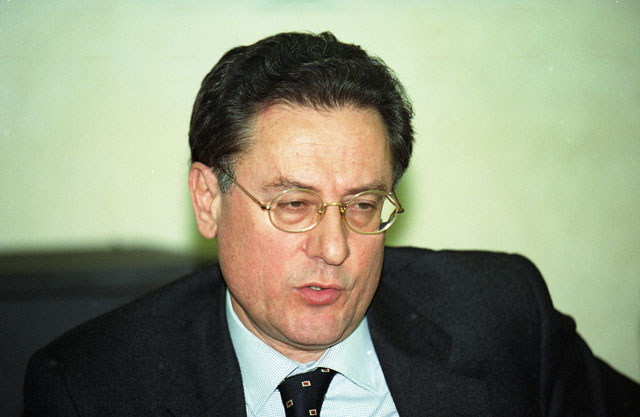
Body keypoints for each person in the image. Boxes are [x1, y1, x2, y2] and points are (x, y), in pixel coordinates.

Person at [23, 31, 639, 416]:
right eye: (293, 204)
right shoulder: (91, 387)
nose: (335, 247)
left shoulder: (502, 316)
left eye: (363, 205)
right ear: (209, 200)